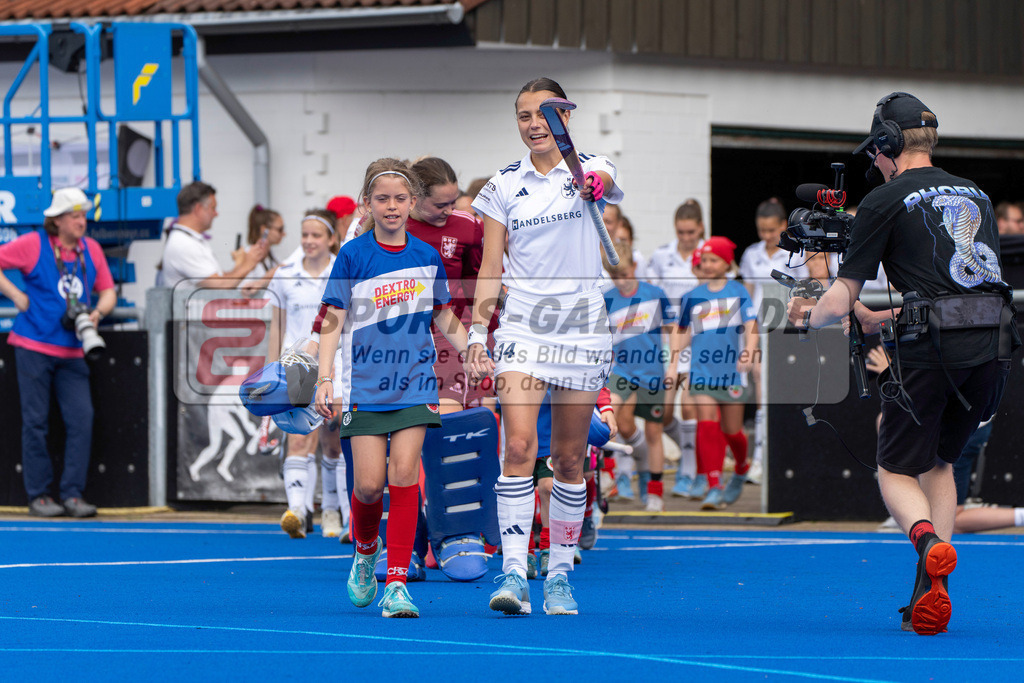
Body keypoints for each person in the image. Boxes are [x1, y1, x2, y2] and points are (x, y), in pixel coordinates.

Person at [787, 91, 1015, 636]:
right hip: (994, 349)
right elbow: (954, 292)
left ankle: (928, 541)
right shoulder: (978, 195)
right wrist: (876, 318)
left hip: (932, 352)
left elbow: (837, 299)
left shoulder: (885, 199)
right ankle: (930, 587)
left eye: (875, 153)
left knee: (893, 467)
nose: (874, 163)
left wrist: (811, 316)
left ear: (886, 145)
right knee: (937, 463)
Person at [467, 76, 623, 616]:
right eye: (523, 115)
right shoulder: (501, 185)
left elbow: (601, 176)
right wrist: (475, 332)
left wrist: (593, 186)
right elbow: (490, 267)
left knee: (568, 458)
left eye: (543, 114)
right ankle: (513, 571)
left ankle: (559, 575)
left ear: (564, 117)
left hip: (581, 327)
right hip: (523, 329)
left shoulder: (592, 167)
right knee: (518, 448)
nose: (533, 124)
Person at [314, 158, 469, 618]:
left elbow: (442, 315)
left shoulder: (426, 256)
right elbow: (333, 319)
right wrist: (325, 377)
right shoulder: (354, 254)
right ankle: (365, 549)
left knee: (403, 478)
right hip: (364, 386)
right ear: (368, 203)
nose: (393, 206)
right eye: (382, 198)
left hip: (416, 385)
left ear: (413, 203)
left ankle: (397, 583)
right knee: (367, 486)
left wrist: (473, 350)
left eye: (401, 198)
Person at [0, 187, 117, 517]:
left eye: (83, 215)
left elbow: (107, 291)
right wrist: (15, 295)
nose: (83, 221)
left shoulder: (90, 249)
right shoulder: (33, 244)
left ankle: (72, 495)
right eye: (76, 215)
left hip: (73, 351)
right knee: (35, 422)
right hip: (33, 346)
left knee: (82, 420)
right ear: (58, 220)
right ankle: (39, 496)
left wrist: (98, 314)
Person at [267, 209, 347, 539]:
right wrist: (272, 377)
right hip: (295, 366)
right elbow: (277, 328)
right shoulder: (284, 274)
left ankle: (335, 512)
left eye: (316, 235)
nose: (309, 241)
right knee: (299, 440)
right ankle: (298, 511)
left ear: (330, 239)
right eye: (305, 235)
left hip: (336, 363)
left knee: (335, 443)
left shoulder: (342, 270)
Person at [673, 236, 758, 510]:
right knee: (706, 423)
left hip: (732, 373)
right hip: (701, 372)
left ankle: (742, 467)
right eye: (704, 260)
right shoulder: (691, 297)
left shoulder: (738, 291)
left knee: (732, 431)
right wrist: (673, 364)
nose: (707, 265)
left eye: (713, 260)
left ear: (726, 262)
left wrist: (750, 350)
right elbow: (681, 333)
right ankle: (713, 485)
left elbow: (751, 324)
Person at [406, 156, 487, 413]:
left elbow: (475, 280)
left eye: (453, 202)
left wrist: (480, 339)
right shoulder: (391, 226)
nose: (450, 211)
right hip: (402, 333)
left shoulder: (467, 226)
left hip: (450, 329)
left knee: (443, 416)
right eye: (441, 204)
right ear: (415, 198)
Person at [739, 198, 810, 484]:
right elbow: (747, 296)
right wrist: (749, 342)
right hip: (759, 328)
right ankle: (758, 460)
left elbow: (806, 291)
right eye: (762, 231)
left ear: (783, 225)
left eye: (771, 230)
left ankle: (787, 458)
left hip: (787, 328)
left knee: (787, 394)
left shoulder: (797, 252)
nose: (766, 236)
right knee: (761, 393)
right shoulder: (751, 254)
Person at [603, 242, 673, 512]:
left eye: (624, 273)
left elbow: (672, 330)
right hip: (621, 370)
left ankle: (654, 489)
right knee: (611, 413)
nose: (620, 280)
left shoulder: (655, 294)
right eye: (614, 276)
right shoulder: (607, 299)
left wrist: (673, 365)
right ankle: (608, 470)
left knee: (654, 431)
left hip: (653, 371)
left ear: (634, 266)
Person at [645, 200, 705, 497]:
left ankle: (688, 472)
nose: (686, 238)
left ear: (701, 228)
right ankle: (689, 453)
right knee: (664, 411)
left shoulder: (709, 254)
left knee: (690, 403)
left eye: (691, 232)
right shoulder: (661, 256)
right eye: (681, 232)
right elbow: (652, 296)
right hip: (669, 338)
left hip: (701, 337)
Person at [159, 181, 267, 289]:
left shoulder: (191, 240)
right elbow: (220, 285)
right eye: (213, 208)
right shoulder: (184, 244)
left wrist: (245, 262)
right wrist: (247, 264)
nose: (216, 214)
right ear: (198, 209)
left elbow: (220, 278)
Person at [239, 204, 286, 295]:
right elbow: (244, 290)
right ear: (265, 230)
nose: (284, 234)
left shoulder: (272, 256)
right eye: (280, 229)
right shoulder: (249, 255)